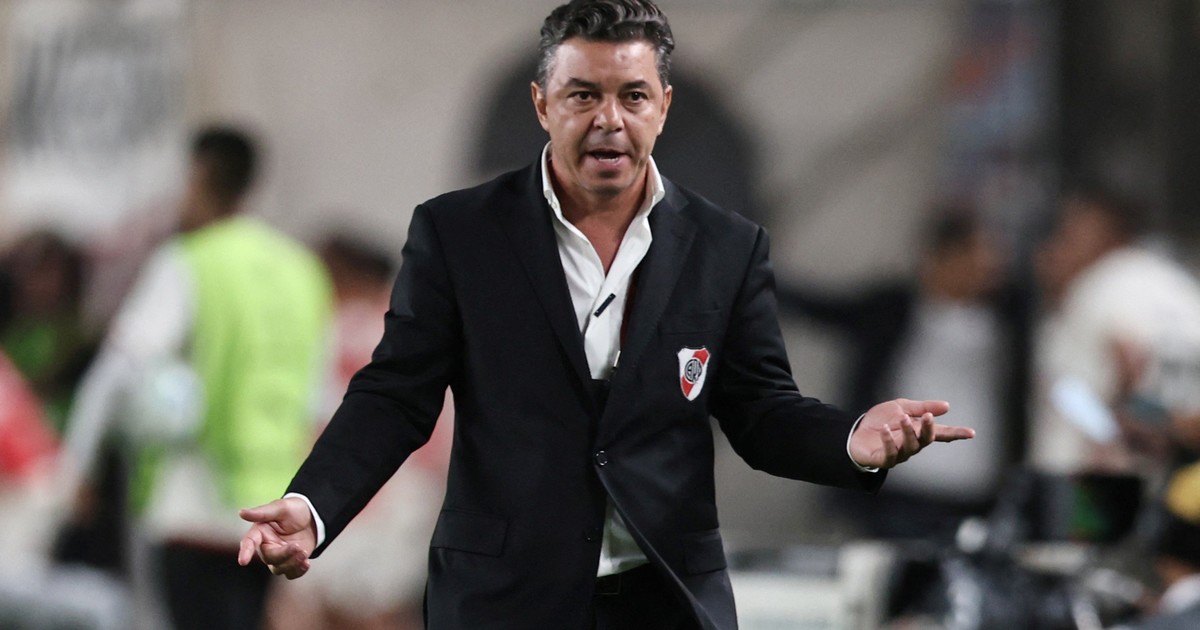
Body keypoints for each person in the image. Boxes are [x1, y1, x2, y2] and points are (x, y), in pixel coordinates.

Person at [238, 2, 974, 628]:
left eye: (633, 96)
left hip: (664, 597)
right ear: (542, 104)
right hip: (503, 598)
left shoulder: (727, 246)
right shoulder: (457, 234)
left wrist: (851, 441)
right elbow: (395, 397)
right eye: (582, 95)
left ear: (664, 106)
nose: (609, 120)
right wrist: (314, 505)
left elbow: (760, 412)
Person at [62, 125, 333, 630]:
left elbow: (118, 370)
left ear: (199, 177)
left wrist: (78, 468)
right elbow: (319, 401)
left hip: (190, 497)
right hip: (273, 506)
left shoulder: (190, 262)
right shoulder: (302, 271)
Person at [777, 209, 1031, 540]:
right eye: (980, 253)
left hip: (976, 487)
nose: (993, 266)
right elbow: (821, 308)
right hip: (901, 483)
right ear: (944, 255)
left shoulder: (1010, 317)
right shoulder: (893, 308)